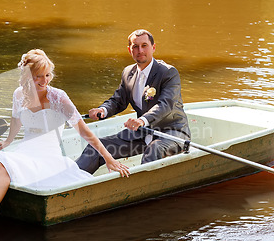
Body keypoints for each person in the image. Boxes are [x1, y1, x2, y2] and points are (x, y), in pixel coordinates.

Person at [0, 49, 129, 238]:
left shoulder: (58, 97)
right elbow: (16, 121)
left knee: (1, 165)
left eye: (47, 75)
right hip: (25, 151)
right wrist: (7, 141)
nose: (44, 80)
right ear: (26, 77)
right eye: (38, 76)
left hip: (47, 157)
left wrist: (108, 158)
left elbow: (84, 131)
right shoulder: (18, 95)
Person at [76, 29, 191, 174]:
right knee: (96, 147)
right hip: (142, 134)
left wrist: (142, 120)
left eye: (144, 45)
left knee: (153, 150)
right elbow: (118, 100)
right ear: (130, 50)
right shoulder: (128, 73)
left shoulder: (168, 72)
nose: (140, 50)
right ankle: (69, 182)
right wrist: (103, 110)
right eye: (135, 46)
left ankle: (140, 191)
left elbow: (166, 105)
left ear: (153, 47)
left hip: (172, 133)